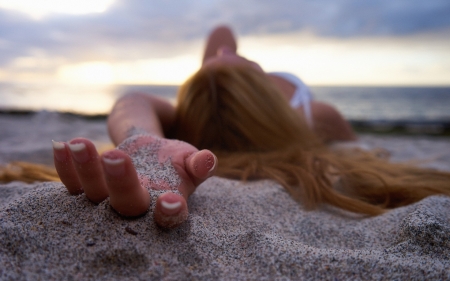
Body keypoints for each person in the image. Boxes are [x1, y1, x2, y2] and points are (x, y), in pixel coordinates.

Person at [53, 25, 450, 229]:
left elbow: (131, 103)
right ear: (260, 89)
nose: (224, 50)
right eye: (224, 61)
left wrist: (141, 135)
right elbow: (353, 148)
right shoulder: (312, 114)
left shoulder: (188, 114)